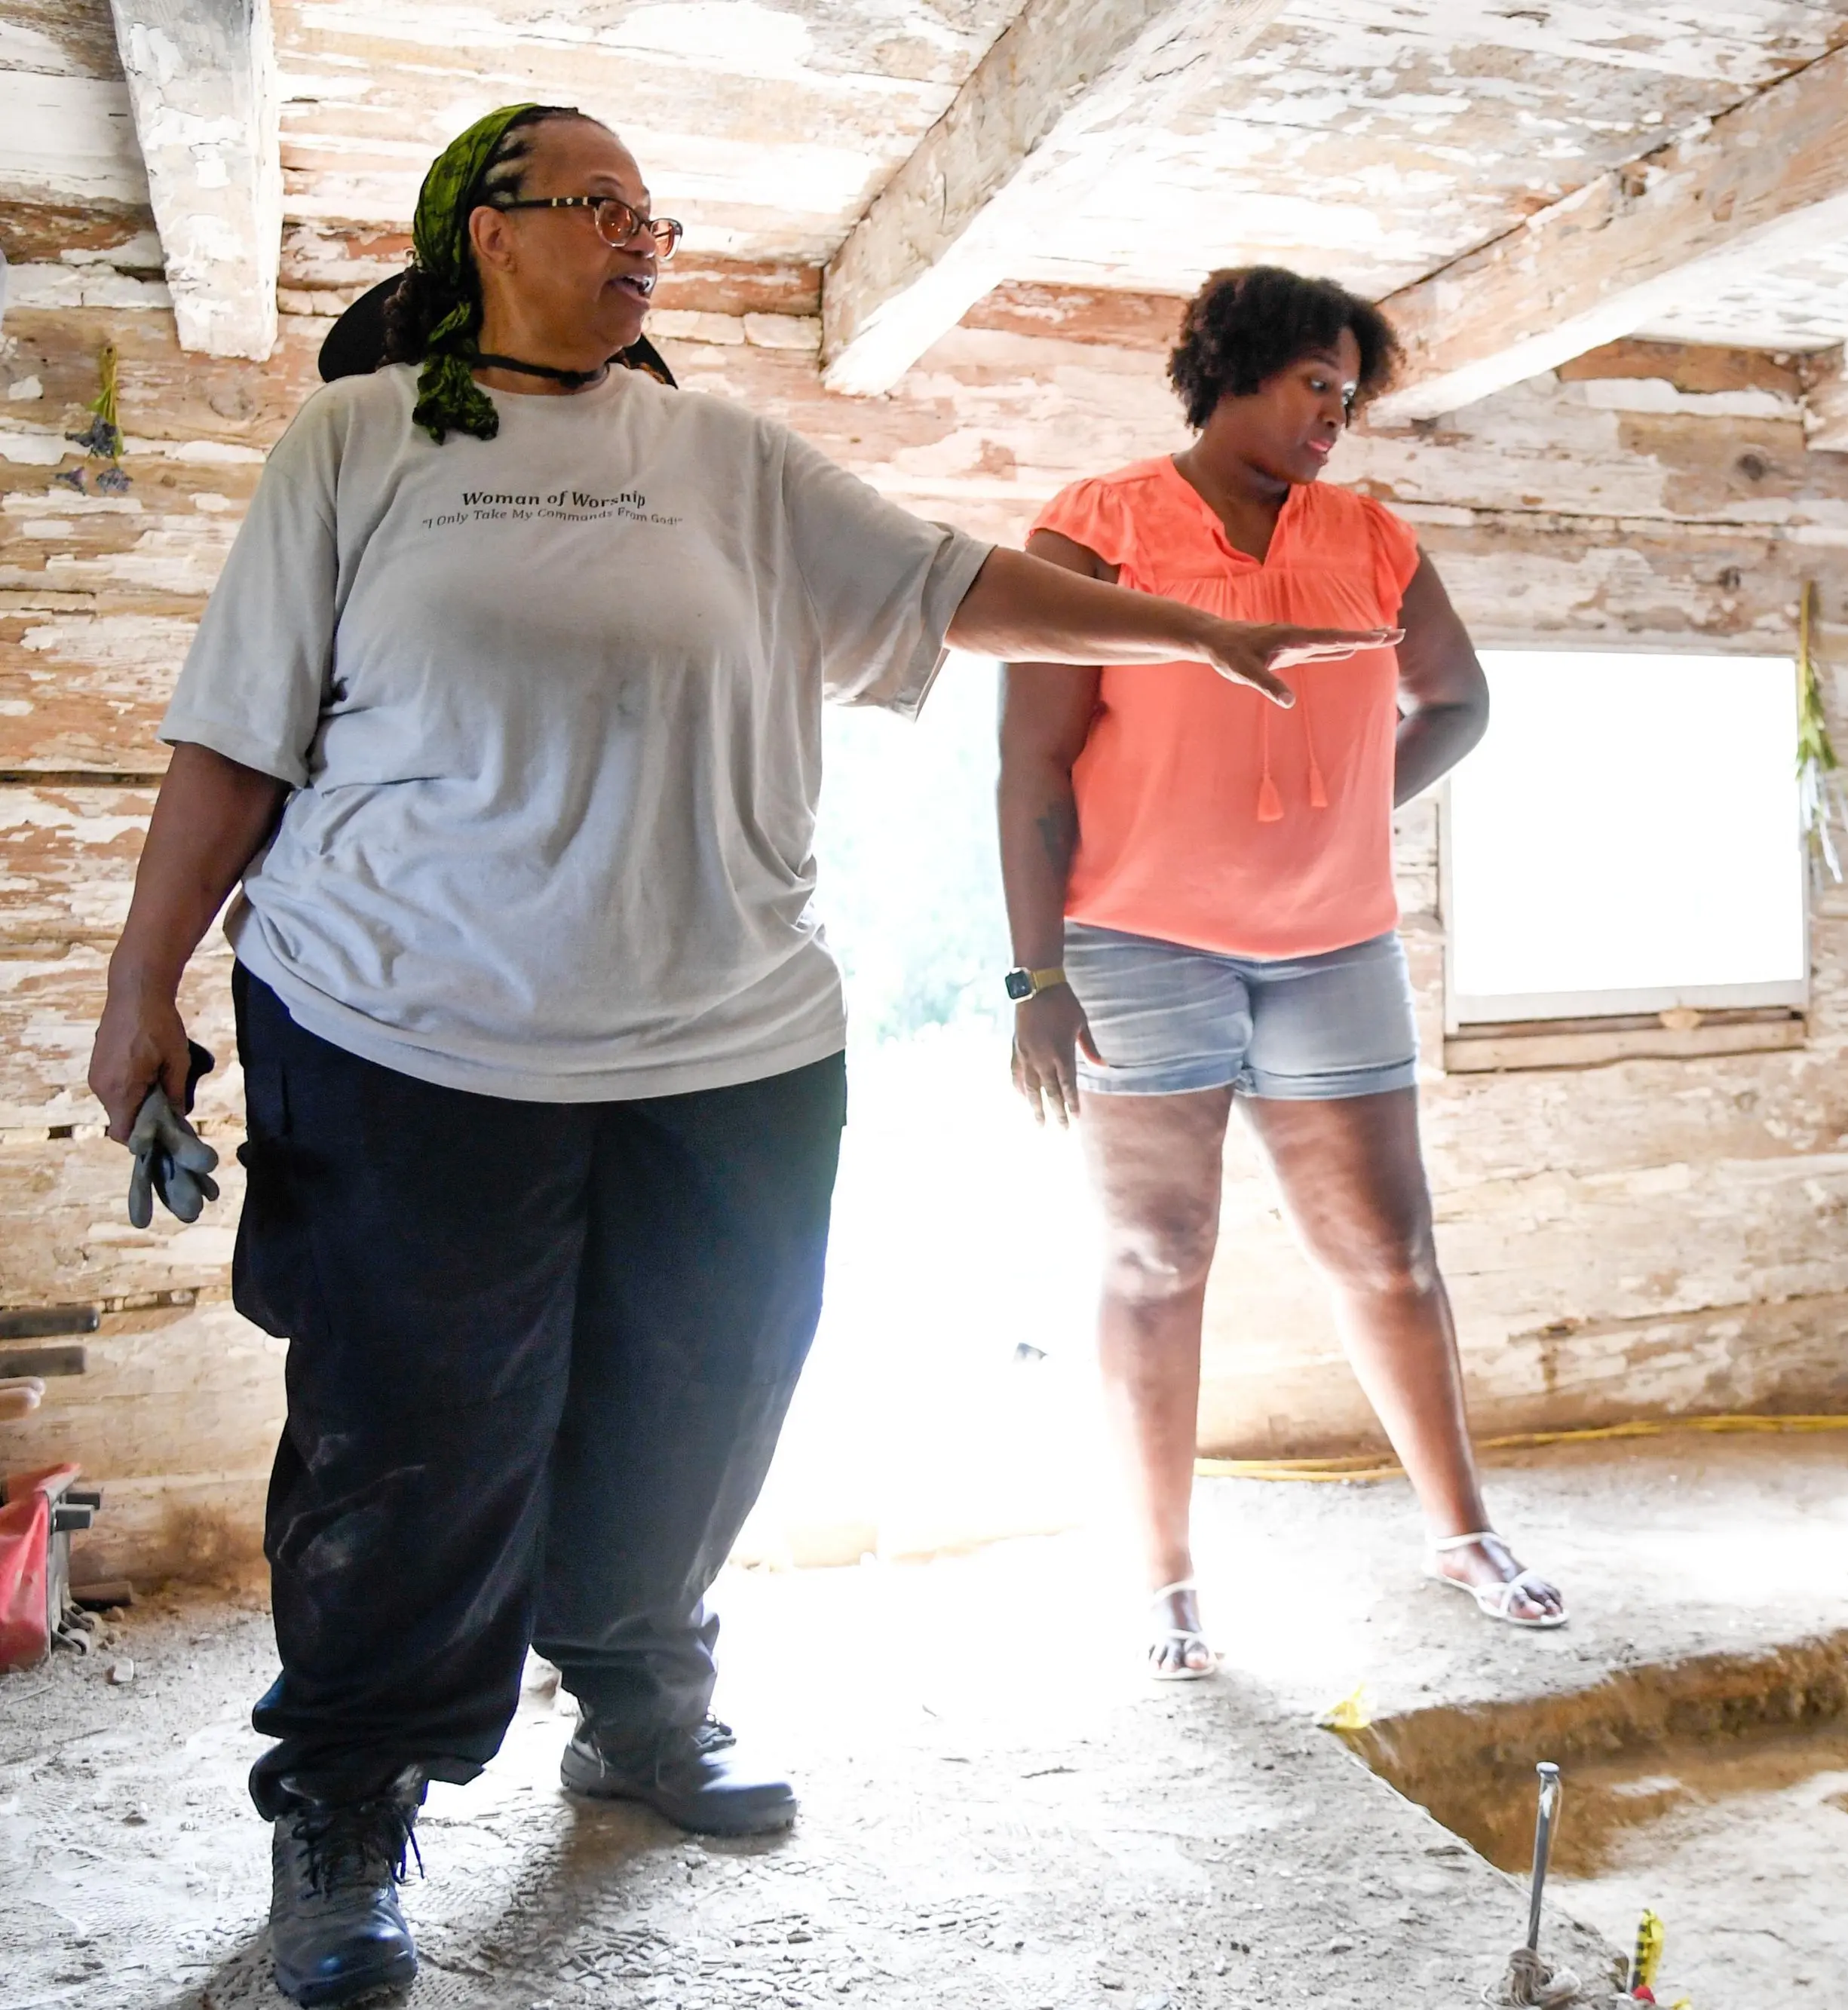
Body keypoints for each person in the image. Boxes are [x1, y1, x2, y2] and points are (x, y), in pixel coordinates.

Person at [85, 109, 1387, 2009]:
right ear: (480, 236)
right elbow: (234, 746)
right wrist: (140, 987)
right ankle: (347, 1808)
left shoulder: (721, 460)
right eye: (596, 204)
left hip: (726, 1041)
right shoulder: (353, 444)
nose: (642, 237)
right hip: (404, 1032)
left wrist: (1193, 633)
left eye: (654, 212)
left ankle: (633, 1701)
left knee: (700, 1402)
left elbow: (951, 584)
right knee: (409, 1443)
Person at [999, 266, 1567, 1681]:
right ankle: (1166, 1580)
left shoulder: (1370, 536)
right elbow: (1029, 767)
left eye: (1351, 392)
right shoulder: (1096, 527)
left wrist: (1346, 815)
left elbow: (1463, 700)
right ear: (1237, 368)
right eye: (1318, 381)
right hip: (1137, 947)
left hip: (1335, 945)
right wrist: (1034, 979)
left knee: (1388, 1251)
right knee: (1156, 1256)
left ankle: (1461, 1530)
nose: (1338, 414)